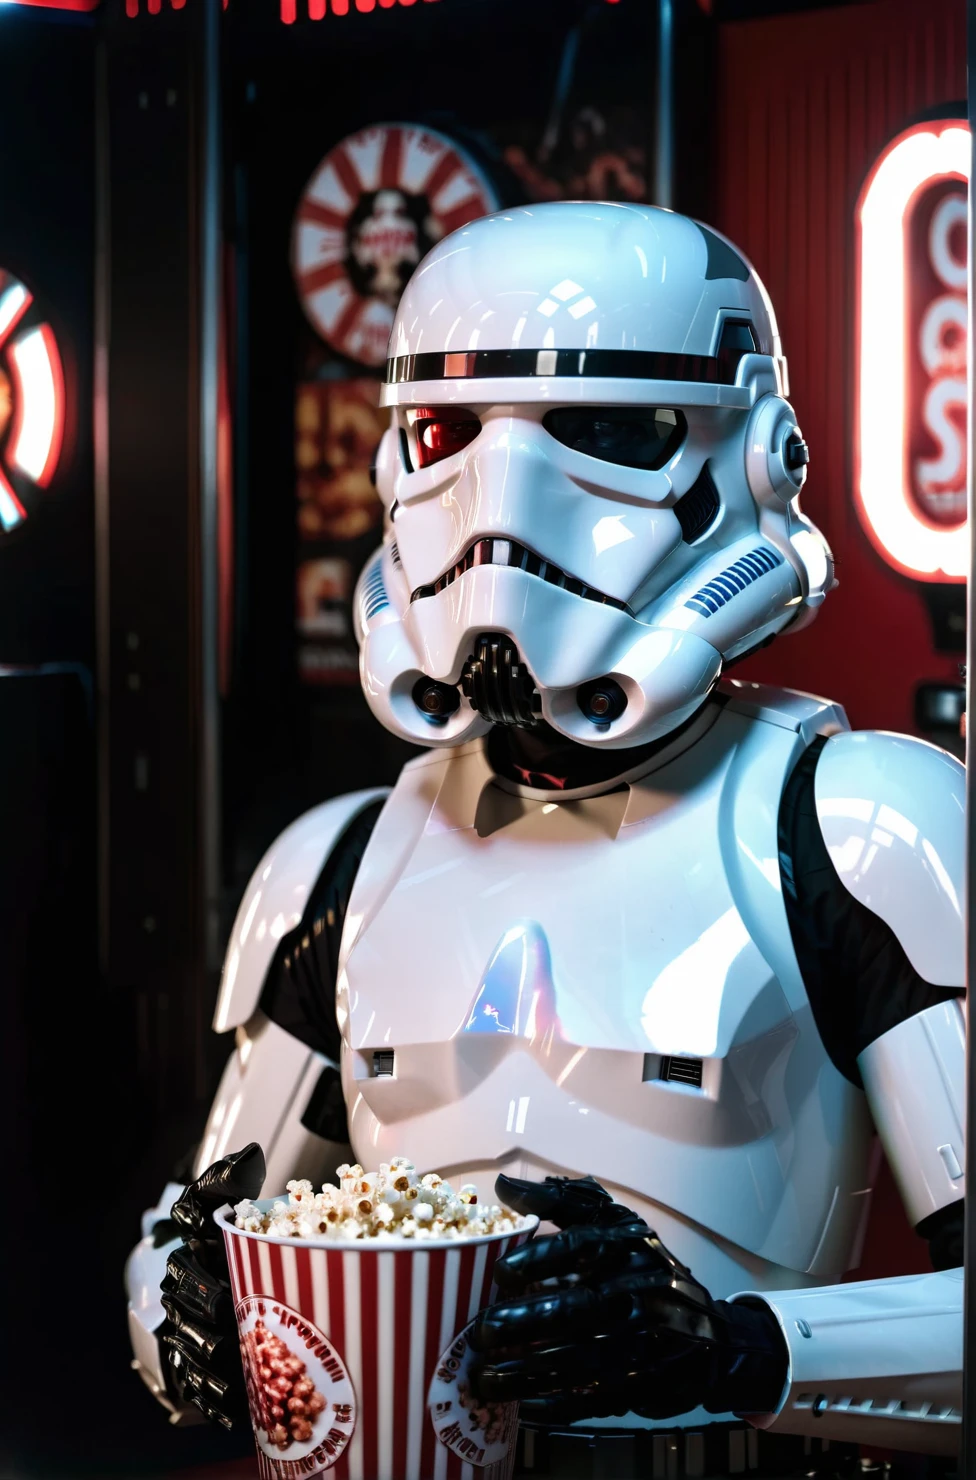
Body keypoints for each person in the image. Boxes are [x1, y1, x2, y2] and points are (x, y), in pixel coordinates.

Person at [127, 202, 964, 1477]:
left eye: (605, 432)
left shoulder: (856, 829)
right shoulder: (340, 864)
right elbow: (196, 1233)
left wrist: (735, 1351)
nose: (500, 511)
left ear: (754, 462)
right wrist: (184, 1308)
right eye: (447, 434)